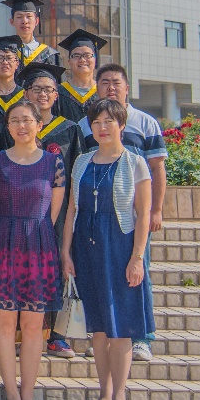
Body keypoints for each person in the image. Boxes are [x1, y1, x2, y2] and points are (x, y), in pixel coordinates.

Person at [0, 99, 66, 400]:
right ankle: (11, 392)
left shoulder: (53, 162)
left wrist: (33, 231)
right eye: (15, 120)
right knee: (5, 322)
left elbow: (53, 212)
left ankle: (28, 394)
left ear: (39, 125)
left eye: (27, 120)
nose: (21, 126)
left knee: (34, 324)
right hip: (3, 243)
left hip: (39, 244)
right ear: (8, 127)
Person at [63, 97, 154, 400]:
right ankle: (103, 394)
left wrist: (137, 258)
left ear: (121, 125)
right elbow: (71, 209)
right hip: (86, 249)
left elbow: (143, 214)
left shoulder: (135, 163)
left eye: (108, 122)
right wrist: (65, 252)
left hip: (119, 246)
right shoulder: (81, 162)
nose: (102, 128)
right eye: (96, 122)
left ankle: (120, 397)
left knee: (121, 327)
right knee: (98, 329)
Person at [78, 64, 167, 362]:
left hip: (132, 214)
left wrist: (156, 209)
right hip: (96, 214)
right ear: (96, 88)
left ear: (127, 88)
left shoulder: (145, 122)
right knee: (100, 276)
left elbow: (157, 167)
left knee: (138, 271)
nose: (111, 87)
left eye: (116, 82)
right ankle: (103, 333)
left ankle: (142, 338)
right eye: (104, 82)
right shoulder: (84, 125)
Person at [19, 61, 82, 360]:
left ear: (56, 95)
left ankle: (57, 336)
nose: (42, 94)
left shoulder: (69, 129)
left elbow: (77, 174)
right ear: (26, 93)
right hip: (23, 211)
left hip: (58, 213)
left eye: (48, 90)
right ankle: (23, 334)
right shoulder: (18, 128)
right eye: (36, 89)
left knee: (58, 267)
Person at [55, 29, 106, 122]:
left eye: (87, 55)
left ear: (95, 60)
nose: (82, 60)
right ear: (69, 61)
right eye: (76, 56)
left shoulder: (103, 92)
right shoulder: (58, 93)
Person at [1, 0, 59, 68]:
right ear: (11, 21)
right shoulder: (3, 53)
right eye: (19, 17)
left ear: (36, 21)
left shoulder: (49, 54)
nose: (25, 21)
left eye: (29, 16)